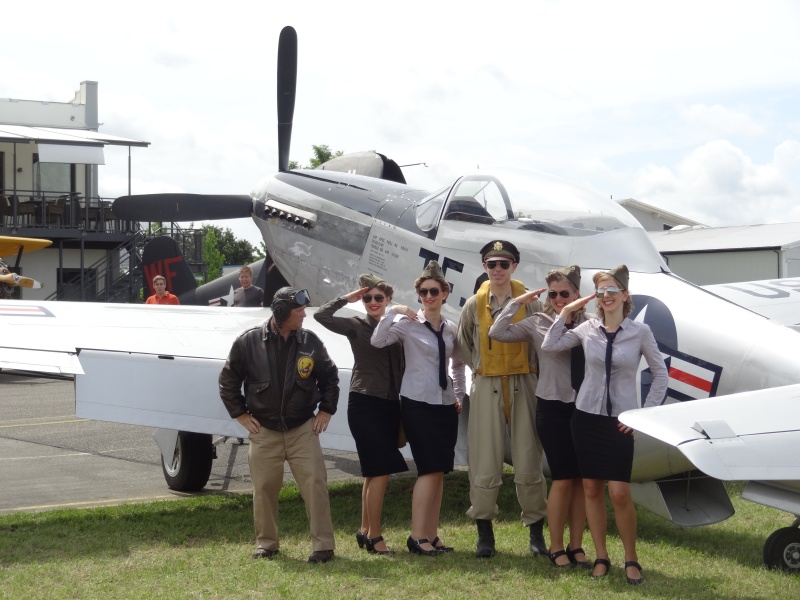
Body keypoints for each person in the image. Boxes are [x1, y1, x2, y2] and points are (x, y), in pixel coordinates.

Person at [541, 265, 668, 585]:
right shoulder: (588, 329)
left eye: (612, 290)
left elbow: (660, 374)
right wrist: (568, 309)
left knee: (620, 492)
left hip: (620, 422)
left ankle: (631, 558)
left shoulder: (640, 332)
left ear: (625, 295)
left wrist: (644, 415)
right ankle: (601, 555)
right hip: (584, 419)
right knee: (591, 488)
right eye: (600, 291)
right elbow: (550, 345)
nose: (606, 296)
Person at [219, 286, 340, 564]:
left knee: (316, 485)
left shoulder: (310, 342)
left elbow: (330, 378)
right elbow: (228, 381)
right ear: (281, 312)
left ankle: (323, 546)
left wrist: (326, 410)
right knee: (263, 489)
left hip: (302, 430)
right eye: (299, 311)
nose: (304, 316)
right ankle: (267, 544)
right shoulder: (248, 342)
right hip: (264, 432)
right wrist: (240, 414)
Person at [488, 265, 591, 568]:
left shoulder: (590, 324)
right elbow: (497, 332)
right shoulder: (538, 322)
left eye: (565, 293)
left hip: (584, 408)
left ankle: (577, 546)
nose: (559, 298)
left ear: (576, 294)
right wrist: (517, 303)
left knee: (581, 481)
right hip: (552, 407)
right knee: (561, 478)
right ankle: (557, 547)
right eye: (554, 293)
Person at [456, 240, 548, 558]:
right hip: (487, 383)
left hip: (525, 382)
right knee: (484, 459)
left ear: (514, 267)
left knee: (527, 459)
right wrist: (482, 371)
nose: (497, 270)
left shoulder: (531, 302)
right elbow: (465, 344)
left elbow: (541, 341)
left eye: (504, 264)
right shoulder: (473, 305)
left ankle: (536, 533)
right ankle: (485, 534)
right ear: (484, 267)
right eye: (491, 264)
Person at [371, 260, 465, 556]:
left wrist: (459, 394)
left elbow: (458, 364)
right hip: (417, 403)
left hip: (446, 404)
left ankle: (432, 534)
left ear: (445, 293)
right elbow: (378, 340)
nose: (428, 297)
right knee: (427, 469)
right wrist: (394, 310)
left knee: (439, 471)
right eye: (423, 292)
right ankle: (416, 537)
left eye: (434, 291)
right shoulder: (407, 325)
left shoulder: (451, 329)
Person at [313, 274, 407, 555]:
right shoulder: (355, 325)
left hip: (391, 404)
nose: (373, 302)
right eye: (368, 298)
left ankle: (366, 530)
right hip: (366, 402)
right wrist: (347, 298)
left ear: (389, 299)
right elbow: (321, 315)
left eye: (379, 297)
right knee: (379, 471)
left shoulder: (398, 327)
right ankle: (376, 537)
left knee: (374, 473)